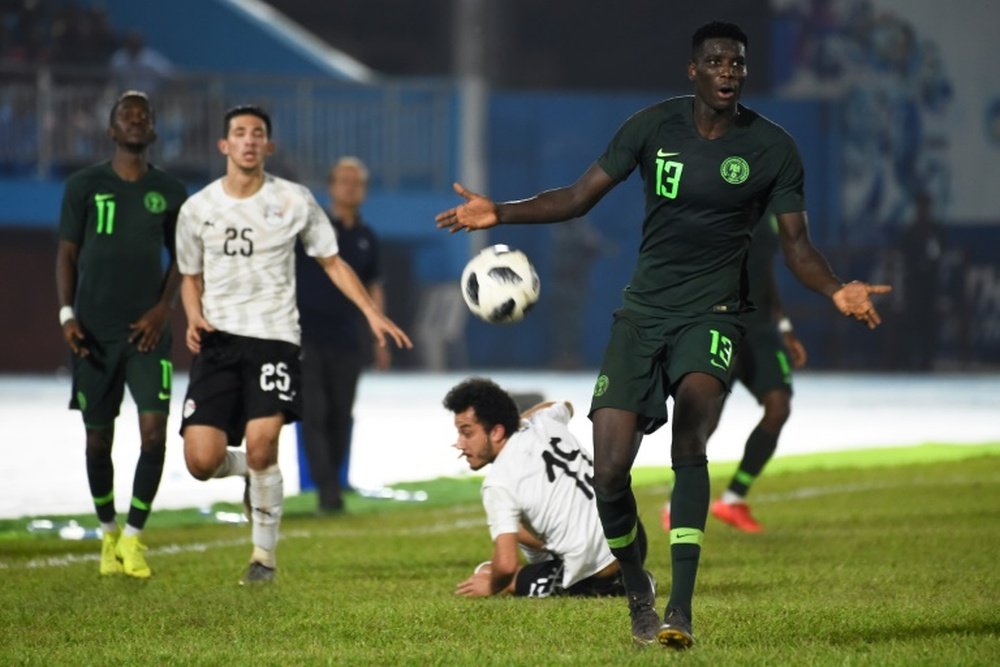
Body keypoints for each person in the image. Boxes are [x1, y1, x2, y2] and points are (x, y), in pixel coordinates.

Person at [436, 21, 891, 650]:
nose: (729, 70)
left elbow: (797, 246)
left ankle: (680, 606)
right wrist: (500, 211)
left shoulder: (773, 148)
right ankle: (637, 591)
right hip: (642, 315)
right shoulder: (652, 128)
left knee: (693, 427)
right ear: (693, 70)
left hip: (713, 314)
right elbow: (576, 197)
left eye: (737, 61)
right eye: (716, 61)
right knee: (614, 468)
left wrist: (836, 287)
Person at [175, 105, 412, 585]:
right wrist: (193, 314)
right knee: (200, 461)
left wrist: (371, 312)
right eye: (239, 133)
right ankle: (246, 473)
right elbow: (189, 276)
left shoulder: (294, 201)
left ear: (269, 146)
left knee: (265, 444)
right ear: (224, 145)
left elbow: (333, 262)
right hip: (218, 342)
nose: (248, 140)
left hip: (275, 339)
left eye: (257, 133)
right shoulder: (197, 208)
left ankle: (263, 559)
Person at [55, 90, 188, 579]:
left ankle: (134, 538)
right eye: (126, 115)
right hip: (91, 332)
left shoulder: (171, 191)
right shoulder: (83, 184)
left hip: (147, 334)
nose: (135, 120)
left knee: (153, 435)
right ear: (112, 131)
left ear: (152, 131)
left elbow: (183, 259)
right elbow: (67, 254)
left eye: (144, 115)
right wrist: (67, 315)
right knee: (97, 443)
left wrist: (162, 308)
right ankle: (107, 529)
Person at [660, 213, 809, 534]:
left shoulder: (767, 212)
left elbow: (764, 271)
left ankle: (733, 498)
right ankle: (676, 501)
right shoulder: (718, 203)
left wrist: (784, 326)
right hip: (721, 324)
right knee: (706, 420)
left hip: (761, 330)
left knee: (779, 407)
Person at [444, 377, 649, 598]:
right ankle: (623, 575)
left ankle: (616, 586)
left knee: (486, 572)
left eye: (467, 432)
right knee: (523, 526)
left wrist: (492, 586)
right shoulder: (544, 421)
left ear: (496, 431)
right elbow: (564, 406)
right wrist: (519, 421)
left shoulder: (499, 482)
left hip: (596, 568)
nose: (459, 443)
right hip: (633, 538)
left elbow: (505, 566)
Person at [296, 156, 389, 514]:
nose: (350, 187)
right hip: (306, 334)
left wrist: (378, 331)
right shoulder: (310, 229)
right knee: (314, 412)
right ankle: (327, 491)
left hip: (349, 337)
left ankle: (332, 481)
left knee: (340, 415)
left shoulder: (367, 237)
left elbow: (373, 286)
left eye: (357, 182)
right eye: (344, 181)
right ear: (331, 187)